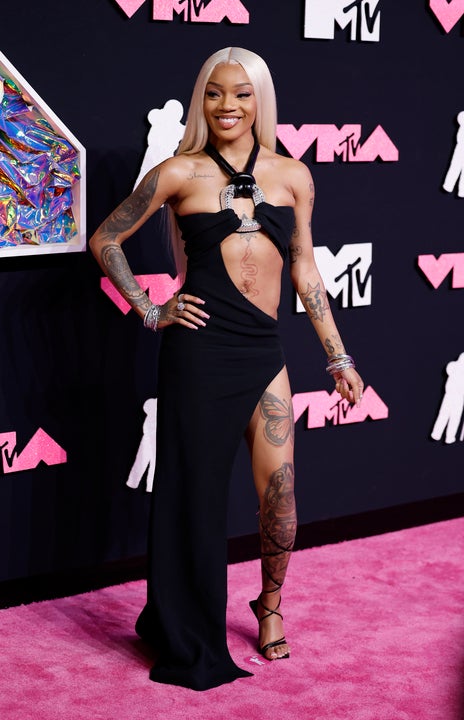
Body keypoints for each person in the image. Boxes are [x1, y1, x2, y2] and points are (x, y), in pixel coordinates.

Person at [89, 47, 364, 691]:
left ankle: (269, 606)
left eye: (241, 93)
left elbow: (304, 269)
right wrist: (149, 307)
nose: (227, 105)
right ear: (200, 100)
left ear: (259, 100)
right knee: (196, 497)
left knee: (281, 496)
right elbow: (105, 239)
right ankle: (189, 627)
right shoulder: (178, 171)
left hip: (263, 350)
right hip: (199, 353)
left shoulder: (292, 176)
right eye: (214, 93)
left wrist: (337, 355)